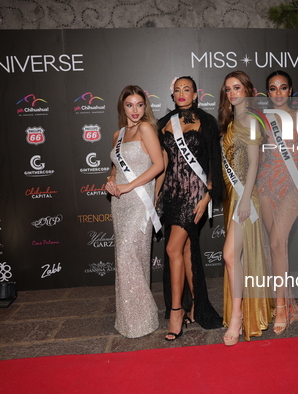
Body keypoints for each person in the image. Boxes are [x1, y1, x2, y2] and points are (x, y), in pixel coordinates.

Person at [156, 76, 223, 341]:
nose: (182, 93)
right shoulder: (163, 125)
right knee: (182, 250)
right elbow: (161, 166)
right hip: (171, 196)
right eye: (177, 90)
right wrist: (155, 197)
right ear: (172, 95)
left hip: (194, 196)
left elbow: (213, 163)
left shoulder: (207, 122)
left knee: (172, 249)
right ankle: (196, 306)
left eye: (187, 89)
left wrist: (207, 197)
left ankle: (176, 311)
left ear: (196, 94)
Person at [219, 70, 273, 345]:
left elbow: (254, 164)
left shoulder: (250, 120)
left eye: (237, 88)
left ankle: (238, 316)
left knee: (229, 255)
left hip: (246, 198)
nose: (232, 93)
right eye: (228, 89)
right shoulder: (231, 121)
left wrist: (244, 199)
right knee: (236, 257)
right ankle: (241, 312)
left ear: (248, 90)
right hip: (234, 197)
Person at [106, 85, 164, 338]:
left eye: (140, 104)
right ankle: (131, 319)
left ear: (145, 106)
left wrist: (129, 185)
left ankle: (144, 317)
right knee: (128, 258)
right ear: (123, 107)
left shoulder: (146, 129)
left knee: (128, 256)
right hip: (120, 203)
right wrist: (110, 179)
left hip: (139, 201)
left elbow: (159, 164)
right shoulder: (117, 134)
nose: (135, 110)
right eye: (130, 105)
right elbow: (116, 167)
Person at [257, 70, 298, 334]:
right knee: (273, 247)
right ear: (268, 92)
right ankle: (287, 302)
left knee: (278, 242)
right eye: (273, 88)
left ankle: (280, 309)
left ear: (290, 90)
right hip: (266, 185)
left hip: (292, 185)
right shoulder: (261, 118)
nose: (278, 93)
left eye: (283, 87)